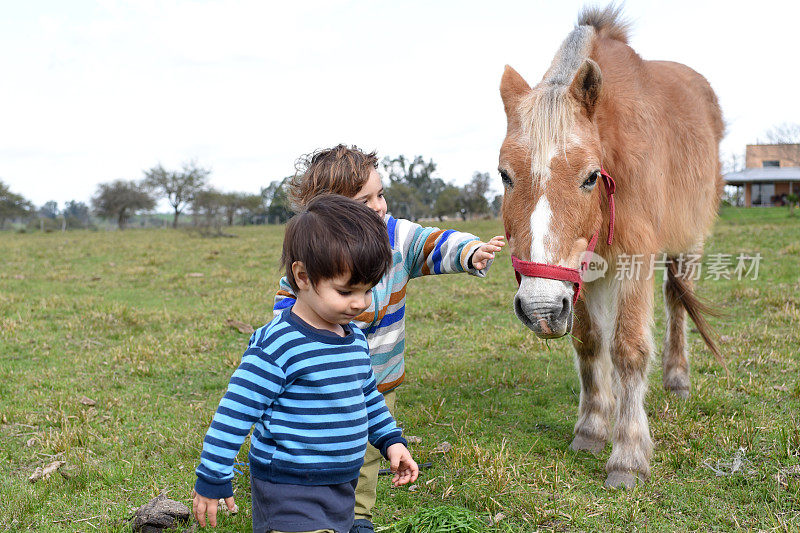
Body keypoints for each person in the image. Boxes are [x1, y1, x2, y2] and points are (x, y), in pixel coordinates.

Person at [273, 145, 505, 533]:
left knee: (367, 455)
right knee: (332, 450)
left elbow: (432, 243)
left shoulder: (396, 235)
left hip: (381, 380)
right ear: (330, 211)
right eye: (365, 200)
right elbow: (287, 310)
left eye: (380, 194)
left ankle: (359, 517)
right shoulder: (315, 257)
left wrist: (470, 251)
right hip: (324, 388)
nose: (379, 206)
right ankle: (313, 510)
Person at [193, 194, 419, 533]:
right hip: (288, 485)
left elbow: (368, 396)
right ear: (302, 276)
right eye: (346, 291)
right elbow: (235, 413)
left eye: (368, 290)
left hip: (341, 483)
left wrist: (391, 440)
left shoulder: (354, 338)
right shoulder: (279, 343)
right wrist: (213, 476)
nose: (360, 303)